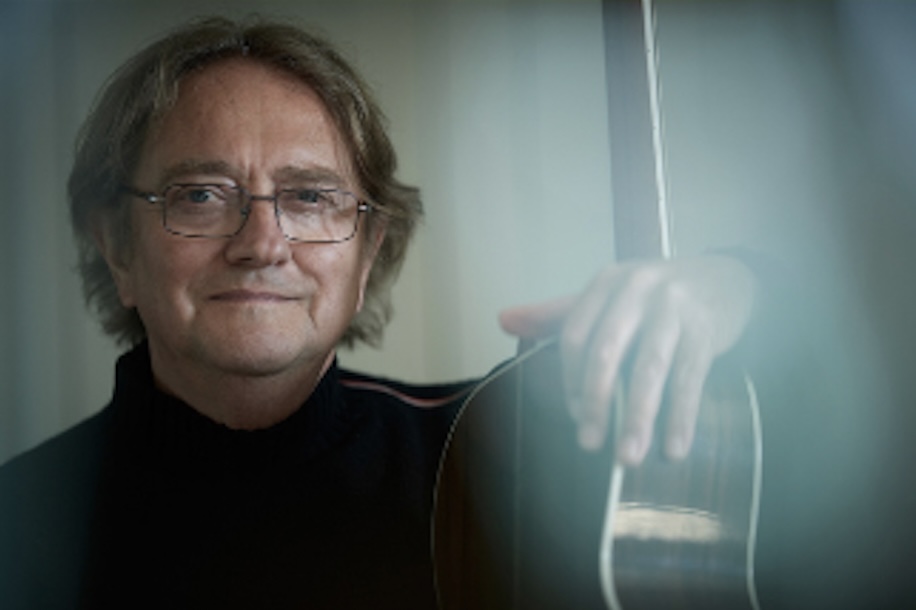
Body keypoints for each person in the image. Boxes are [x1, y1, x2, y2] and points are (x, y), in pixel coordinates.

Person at [0, 16, 759, 609]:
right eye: (201, 195)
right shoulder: (17, 522)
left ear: (367, 255)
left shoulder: (486, 457)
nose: (262, 244)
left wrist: (741, 287)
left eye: (309, 197)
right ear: (116, 246)